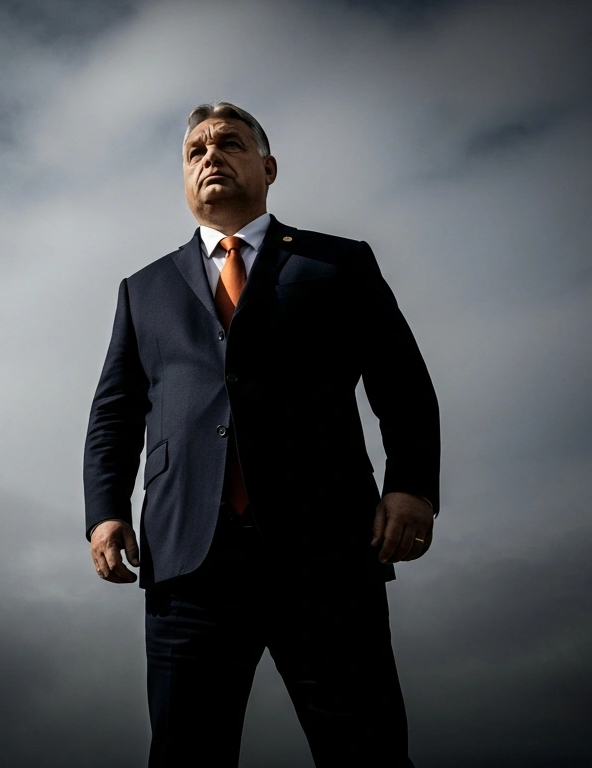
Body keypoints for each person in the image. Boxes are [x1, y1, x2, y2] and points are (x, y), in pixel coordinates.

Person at [83, 101, 440, 766]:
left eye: (230, 144)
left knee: (367, 751)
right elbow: (114, 413)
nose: (211, 157)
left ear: (268, 166)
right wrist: (104, 513)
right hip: (188, 561)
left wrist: (413, 487)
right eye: (196, 151)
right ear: (185, 177)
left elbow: (402, 384)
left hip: (328, 549)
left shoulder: (339, 263)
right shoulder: (144, 289)